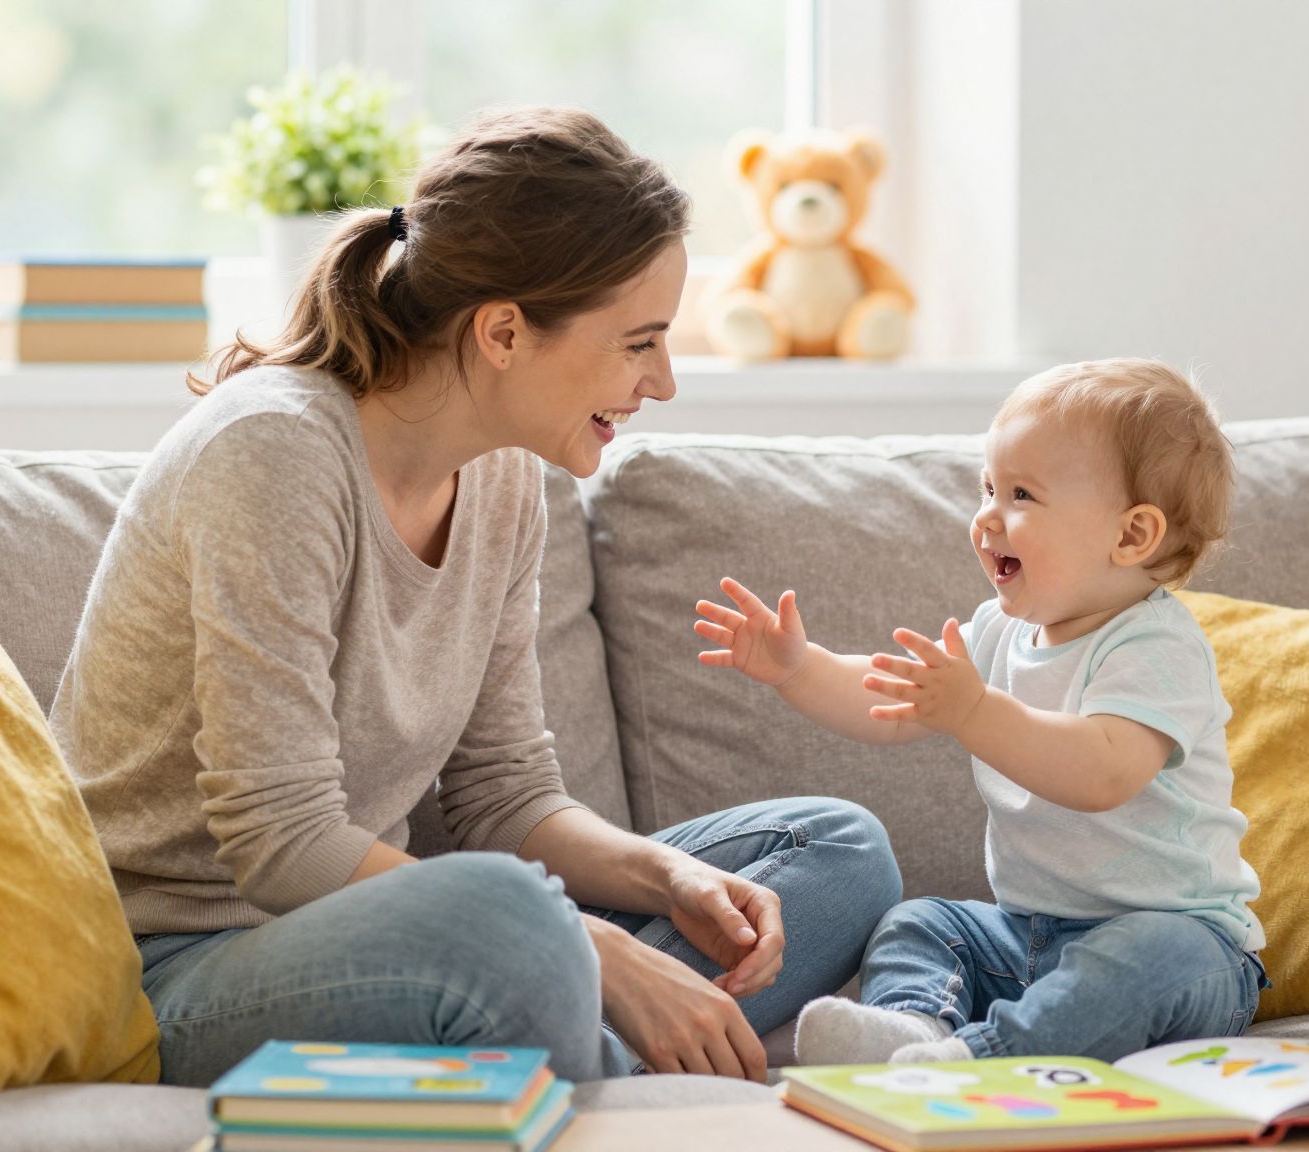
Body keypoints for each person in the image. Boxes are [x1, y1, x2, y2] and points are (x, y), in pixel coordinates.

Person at [50, 107, 901, 1087]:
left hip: (395, 945)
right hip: (181, 966)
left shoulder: (505, 476)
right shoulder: (273, 455)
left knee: (833, 848)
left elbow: (504, 796)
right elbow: (279, 845)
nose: (662, 382)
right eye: (638, 343)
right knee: (512, 922)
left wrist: (664, 879)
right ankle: (588, 1037)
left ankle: (581, 1049)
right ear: (502, 331)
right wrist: (588, 947)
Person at [696, 358, 1267, 1065]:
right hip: (1026, 938)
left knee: (1149, 952)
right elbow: (891, 699)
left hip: (1188, 947)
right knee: (921, 922)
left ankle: (980, 1058)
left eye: (1022, 494)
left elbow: (1102, 773)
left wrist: (974, 712)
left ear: (1130, 537)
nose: (987, 515)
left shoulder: (1155, 644)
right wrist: (800, 667)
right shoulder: (998, 633)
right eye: (988, 486)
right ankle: (910, 1033)